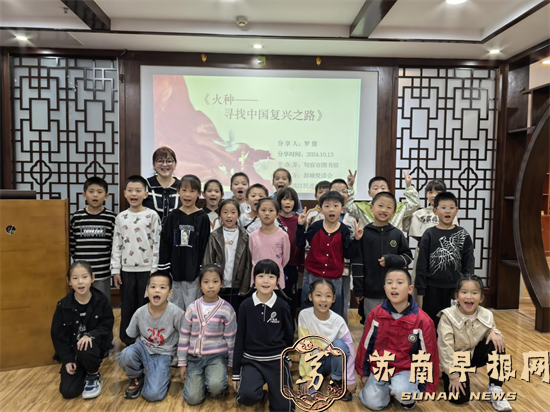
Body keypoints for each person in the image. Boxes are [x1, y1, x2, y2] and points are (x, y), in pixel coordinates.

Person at [356, 268, 439, 410]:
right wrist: (363, 373)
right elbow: (366, 345)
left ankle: (399, 389)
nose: (394, 286)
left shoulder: (423, 320)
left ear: (410, 289)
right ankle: (384, 390)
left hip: (406, 369)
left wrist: (427, 387)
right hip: (380, 366)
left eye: (399, 282)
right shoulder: (375, 315)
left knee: (406, 396)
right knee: (373, 403)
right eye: (389, 283)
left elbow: (429, 355)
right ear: (385, 288)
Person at [438, 275, 512, 412]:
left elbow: (490, 330)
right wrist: (454, 376)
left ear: (481, 298)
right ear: (457, 296)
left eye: (474, 293)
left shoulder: (486, 314)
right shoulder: (447, 317)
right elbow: (445, 349)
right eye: (464, 292)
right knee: (460, 398)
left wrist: (493, 332)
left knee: (497, 341)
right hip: (456, 361)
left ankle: (495, 388)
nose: (469, 297)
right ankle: (448, 377)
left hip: (474, 355)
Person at [232, 260, 295, 412]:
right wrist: (236, 373)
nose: (266, 281)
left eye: (271, 276)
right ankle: (257, 386)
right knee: (246, 396)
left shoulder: (283, 305)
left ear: (277, 281)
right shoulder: (245, 306)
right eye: (261, 276)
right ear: (253, 279)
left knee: (284, 408)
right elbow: (239, 339)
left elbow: (289, 336)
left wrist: (285, 357)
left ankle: (274, 390)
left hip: (276, 361)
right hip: (251, 361)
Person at [51, 261, 114, 400]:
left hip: (94, 349)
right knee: (68, 392)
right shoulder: (63, 306)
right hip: (74, 352)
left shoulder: (101, 300)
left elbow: (106, 325)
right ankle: (83, 370)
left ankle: (93, 374)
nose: (80, 282)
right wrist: (68, 360)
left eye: (84, 277)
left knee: (85, 345)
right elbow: (58, 336)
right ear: (69, 282)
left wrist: (90, 335)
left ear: (92, 278)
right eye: (75, 278)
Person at [111, 175, 161, 346]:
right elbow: (117, 244)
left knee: (146, 307)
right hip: (126, 270)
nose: (134, 194)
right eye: (130, 190)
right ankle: (128, 341)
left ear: (145, 194)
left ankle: (146, 339)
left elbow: (157, 244)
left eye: (138, 190)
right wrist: (115, 270)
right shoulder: (121, 217)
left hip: (147, 270)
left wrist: (154, 270)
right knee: (128, 307)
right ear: (125, 193)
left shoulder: (152, 215)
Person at [117, 272, 184, 401]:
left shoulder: (177, 313)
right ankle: (137, 376)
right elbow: (131, 334)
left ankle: (160, 373)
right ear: (147, 291)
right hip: (144, 348)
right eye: (153, 287)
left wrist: (181, 360)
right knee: (125, 355)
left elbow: (185, 337)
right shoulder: (140, 312)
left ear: (170, 293)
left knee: (153, 395)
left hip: (163, 354)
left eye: (162, 287)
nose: (157, 290)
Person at [296, 191, 363, 317]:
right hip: (313, 274)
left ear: (342, 209)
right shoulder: (315, 227)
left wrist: (357, 240)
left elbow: (349, 254)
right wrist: (300, 226)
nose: (331, 209)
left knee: (334, 311)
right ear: (321, 210)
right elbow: (300, 243)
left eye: (335, 206)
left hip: (334, 276)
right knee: (309, 308)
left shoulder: (344, 230)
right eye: (327, 206)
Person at [178, 265, 237, 405]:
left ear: (221, 283)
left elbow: (231, 338)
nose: (211, 286)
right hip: (194, 359)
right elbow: (184, 336)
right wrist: (182, 362)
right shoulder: (192, 308)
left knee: (216, 388)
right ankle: (201, 381)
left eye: (215, 281)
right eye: (206, 282)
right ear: (200, 284)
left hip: (216, 358)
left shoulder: (227, 309)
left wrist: (231, 362)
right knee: (192, 399)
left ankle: (213, 380)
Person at [415, 192, 474, 327]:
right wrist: (421, 288)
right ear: (435, 211)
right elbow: (421, 263)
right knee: (432, 323)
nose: (447, 211)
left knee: (454, 323)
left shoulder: (463, 234)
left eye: (451, 208)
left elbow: (469, 261)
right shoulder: (429, 234)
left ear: (456, 211)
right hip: (432, 288)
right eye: (443, 207)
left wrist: (467, 285)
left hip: (455, 287)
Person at [353, 192, 413, 321]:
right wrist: (358, 290)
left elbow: (408, 258)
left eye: (389, 207)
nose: (384, 210)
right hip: (370, 292)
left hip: (395, 292)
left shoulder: (397, 234)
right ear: (371, 207)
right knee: (372, 324)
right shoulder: (364, 233)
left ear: (394, 212)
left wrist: (391, 259)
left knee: (394, 324)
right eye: (380, 205)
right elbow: (357, 263)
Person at [159, 175, 211, 311]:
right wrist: (164, 268)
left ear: (199, 194)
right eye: (184, 190)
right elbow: (165, 243)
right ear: (178, 191)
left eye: (192, 191)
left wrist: (202, 269)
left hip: (194, 273)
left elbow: (205, 245)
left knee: (193, 308)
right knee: (174, 308)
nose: (188, 195)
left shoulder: (202, 218)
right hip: (174, 271)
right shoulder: (172, 216)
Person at [298, 279, 355, 402]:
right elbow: (304, 348)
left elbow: (350, 348)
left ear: (334, 298)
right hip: (312, 364)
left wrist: (350, 379)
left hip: (329, 361)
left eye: (328, 296)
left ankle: (336, 380)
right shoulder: (304, 315)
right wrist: (306, 377)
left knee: (340, 345)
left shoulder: (338, 320)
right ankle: (314, 376)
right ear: (310, 296)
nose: (323, 300)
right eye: (318, 295)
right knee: (308, 396)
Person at [69, 176, 116, 301]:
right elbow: (72, 244)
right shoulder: (77, 217)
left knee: (102, 303)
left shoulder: (111, 218)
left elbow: (114, 245)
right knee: (80, 303)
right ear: (84, 195)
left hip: (102, 272)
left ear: (106, 196)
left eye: (99, 192)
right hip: (81, 274)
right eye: (91, 191)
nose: (95, 195)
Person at [409, 179, 458, 296]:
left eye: (438, 192)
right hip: (422, 250)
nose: (434, 195)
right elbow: (412, 230)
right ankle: (419, 305)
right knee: (419, 278)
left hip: (442, 251)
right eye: (430, 192)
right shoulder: (418, 213)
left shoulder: (448, 213)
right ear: (426, 194)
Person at [203, 198, 252, 314]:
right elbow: (208, 261)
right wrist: (211, 283)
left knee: (235, 315)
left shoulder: (245, 237)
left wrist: (244, 288)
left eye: (233, 212)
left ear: (238, 215)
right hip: (218, 285)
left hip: (237, 285)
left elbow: (247, 264)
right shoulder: (214, 236)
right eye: (225, 212)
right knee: (217, 315)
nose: (229, 216)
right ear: (220, 215)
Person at [345, 171, 420, 231]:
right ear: (369, 193)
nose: (379, 191)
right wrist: (350, 187)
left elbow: (414, 204)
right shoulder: (363, 208)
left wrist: (408, 186)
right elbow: (348, 206)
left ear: (388, 191)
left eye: (383, 188)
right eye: (375, 188)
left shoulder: (398, 207)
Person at [329, 178, 359, 324]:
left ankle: (342, 326)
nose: (340, 193)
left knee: (343, 297)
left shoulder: (353, 215)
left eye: (344, 191)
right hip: (326, 265)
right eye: (335, 190)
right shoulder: (324, 214)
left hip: (345, 265)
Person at [249, 198, 291, 290]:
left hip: (276, 281)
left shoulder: (283, 235)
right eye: (263, 210)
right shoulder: (252, 236)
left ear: (277, 214)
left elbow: (285, 258)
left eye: (271, 210)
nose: (267, 213)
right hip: (257, 281)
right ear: (257, 214)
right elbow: (251, 257)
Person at [277, 187, 305, 316]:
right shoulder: (274, 219)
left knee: (290, 298)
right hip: (276, 265)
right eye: (284, 199)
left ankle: (290, 324)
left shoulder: (299, 220)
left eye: (291, 199)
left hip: (292, 265)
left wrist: (301, 266)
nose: (287, 202)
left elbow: (301, 245)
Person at [143, 146, 181, 224]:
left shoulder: (182, 186)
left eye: (169, 161)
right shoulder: (144, 185)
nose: (165, 164)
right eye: (160, 161)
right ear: (154, 164)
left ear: (175, 164)